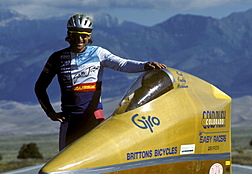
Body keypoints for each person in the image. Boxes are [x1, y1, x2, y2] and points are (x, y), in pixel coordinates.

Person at [35, 14, 167, 150]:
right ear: (69, 35)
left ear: (89, 36)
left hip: (94, 118)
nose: (79, 39)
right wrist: (50, 112)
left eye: (84, 35)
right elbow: (40, 87)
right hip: (70, 121)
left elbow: (123, 64)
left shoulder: (98, 53)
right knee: (66, 166)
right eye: (75, 35)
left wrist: (145, 65)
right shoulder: (57, 58)